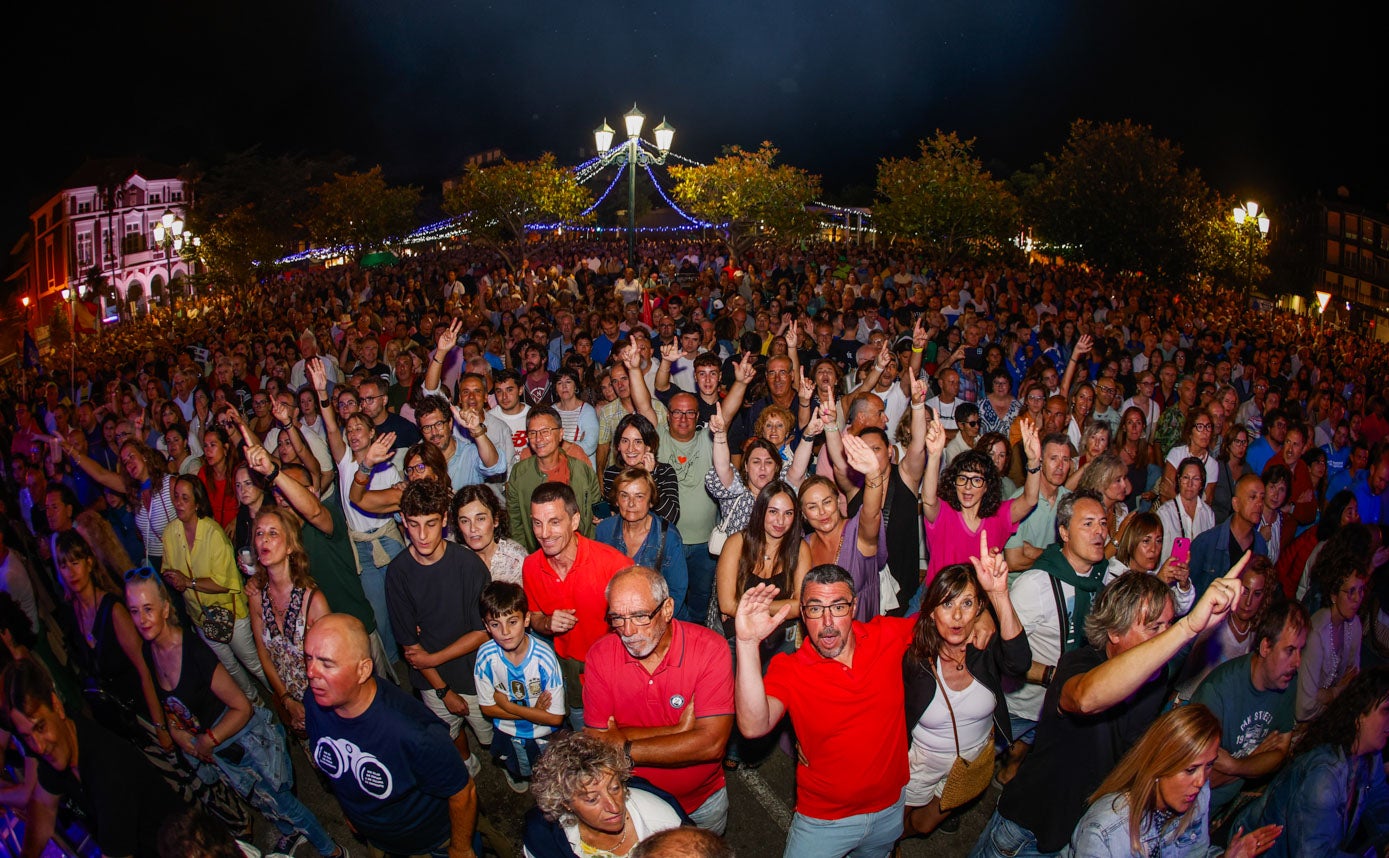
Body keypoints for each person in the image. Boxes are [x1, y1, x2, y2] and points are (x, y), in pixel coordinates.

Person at [973, 560, 1249, 858]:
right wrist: (1187, 628)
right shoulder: (1079, 663)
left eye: (1168, 624)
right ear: (1115, 632)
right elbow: (1085, 699)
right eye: (1154, 626)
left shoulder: (1156, 681)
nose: (1164, 636)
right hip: (1026, 832)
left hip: (1084, 835)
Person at [125, 569, 343, 857]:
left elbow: (242, 706)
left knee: (285, 803)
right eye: (134, 611)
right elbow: (173, 710)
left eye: (149, 609)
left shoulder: (193, 651)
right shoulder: (148, 652)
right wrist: (181, 737)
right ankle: (291, 835)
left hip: (243, 742)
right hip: (218, 753)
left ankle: (333, 850)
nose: (142, 619)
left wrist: (208, 740)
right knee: (262, 803)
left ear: (166, 608)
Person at [734, 564, 916, 858]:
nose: (828, 621)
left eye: (838, 607)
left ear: (854, 607)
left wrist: (987, 611)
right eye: (816, 609)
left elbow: (939, 620)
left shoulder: (886, 635)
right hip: (823, 822)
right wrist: (746, 643)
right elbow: (753, 725)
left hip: (889, 810)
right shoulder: (791, 669)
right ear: (804, 615)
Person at [303, 613, 480, 858]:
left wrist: (460, 848)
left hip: (430, 844)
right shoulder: (313, 701)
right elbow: (339, 771)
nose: (311, 672)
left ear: (363, 669)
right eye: (308, 658)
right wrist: (352, 813)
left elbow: (463, 792)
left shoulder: (414, 731)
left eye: (326, 663)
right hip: (379, 840)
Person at [583, 566, 736, 833]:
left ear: (667, 609)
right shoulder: (600, 656)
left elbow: (710, 744)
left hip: (702, 803)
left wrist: (625, 748)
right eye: (617, 618)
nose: (628, 630)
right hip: (636, 801)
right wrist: (678, 731)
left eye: (640, 616)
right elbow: (598, 742)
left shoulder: (711, 649)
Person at [901, 536, 1031, 839]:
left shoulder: (983, 649)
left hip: (969, 762)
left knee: (925, 825)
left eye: (967, 603)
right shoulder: (915, 659)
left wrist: (999, 596)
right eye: (947, 604)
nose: (957, 616)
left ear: (978, 609)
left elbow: (1020, 663)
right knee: (899, 826)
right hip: (920, 762)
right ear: (932, 612)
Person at [2, 657, 190, 858]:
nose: (38, 746)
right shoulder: (59, 746)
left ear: (56, 705)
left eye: (40, 727)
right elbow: (43, 807)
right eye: (27, 737)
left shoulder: (107, 769)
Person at [1067, 704, 1279, 858]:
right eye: (1190, 769)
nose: (1201, 781)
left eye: (1209, 765)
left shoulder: (1198, 795)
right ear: (1159, 766)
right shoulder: (1107, 830)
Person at [387, 479, 494, 775]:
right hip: (431, 680)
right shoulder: (397, 573)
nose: (422, 535)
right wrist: (443, 689)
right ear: (403, 522)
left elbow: (484, 631)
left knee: (487, 733)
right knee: (449, 731)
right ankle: (465, 764)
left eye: (431, 524)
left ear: (445, 520)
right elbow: (410, 646)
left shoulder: (469, 565)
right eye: (413, 524)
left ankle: (505, 764)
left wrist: (433, 658)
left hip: (472, 672)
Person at [1231, 667, 1389, 858]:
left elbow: (1381, 809)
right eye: (1386, 711)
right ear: (1360, 715)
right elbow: (1312, 855)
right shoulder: (1324, 776)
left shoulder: (1371, 758)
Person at [522, 481, 633, 732]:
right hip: (570, 671)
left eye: (554, 522)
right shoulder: (531, 566)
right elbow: (535, 616)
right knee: (583, 729)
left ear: (574, 521)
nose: (544, 533)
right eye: (537, 523)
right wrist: (548, 623)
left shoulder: (614, 565)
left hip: (613, 668)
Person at [1189, 599, 1308, 816]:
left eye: (1301, 650)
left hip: (1221, 808)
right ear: (1265, 647)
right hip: (1190, 812)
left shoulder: (1287, 682)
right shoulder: (1217, 693)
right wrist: (1257, 757)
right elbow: (1202, 781)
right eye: (1290, 650)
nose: (1298, 662)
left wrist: (1235, 766)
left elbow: (1280, 752)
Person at [160, 473, 268, 703]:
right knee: (229, 667)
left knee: (253, 664)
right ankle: (257, 705)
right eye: (176, 497)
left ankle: (283, 699)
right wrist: (174, 579)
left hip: (231, 614)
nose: (178, 503)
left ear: (197, 503)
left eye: (185, 498)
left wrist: (187, 582)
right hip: (201, 618)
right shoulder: (170, 534)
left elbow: (222, 582)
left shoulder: (213, 534)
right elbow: (168, 570)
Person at [923, 415, 1042, 587]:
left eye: (977, 480)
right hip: (942, 601)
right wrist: (934, 456)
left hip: (981, 605)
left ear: (987, 486)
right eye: (962, 478)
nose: (968, 487)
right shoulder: (944, 513)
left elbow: (1030, 500)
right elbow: (928, 500)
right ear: (953, 482)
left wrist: (1033, 461)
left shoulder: (999, 516)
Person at [523, 732, 686, 858]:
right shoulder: (542, 836)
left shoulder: (666, 824)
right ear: (565, 803)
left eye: (615, 788)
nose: (614, 807)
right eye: (592, 799)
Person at [245, 505, 330, 737]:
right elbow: (263, 653)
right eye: (259, 533)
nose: (264, 539)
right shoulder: (256, 598)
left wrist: (311, 706)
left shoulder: (312, 600)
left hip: (325, 703)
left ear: (290, 545)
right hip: (289, 705)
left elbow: (332, 664)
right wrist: (286, 699)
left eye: (273, 533)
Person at [474, 581, 565, 793]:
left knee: (550, 770)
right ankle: (519, 774)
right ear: (486, 627)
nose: (505, 632)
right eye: (495, 625)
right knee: (518, 765)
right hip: (508, 732)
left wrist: (509, 707)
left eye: (512, 622)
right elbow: (487, 708)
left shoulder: (544, 658)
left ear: (526, 619)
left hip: (544, 733)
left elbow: (555, 718)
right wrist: (535, 712)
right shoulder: (486, 657)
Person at [798, 433, 888, 621]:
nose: (822, 512)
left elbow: (871, 513)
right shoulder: (803, 546)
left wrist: (873, 474)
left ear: (838, 501)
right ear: (804, 515)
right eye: (812, 507)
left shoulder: (858, 532)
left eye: (827, 502)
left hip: (863, 636)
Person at [1173, 556, 1274, 701]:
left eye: (1257, 594)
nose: (1249, 601)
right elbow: (1188, 685)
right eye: (1245, 591)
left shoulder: (1258, 636)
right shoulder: (1214, 627)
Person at [596, 468, 689, 619]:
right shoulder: (604, 531)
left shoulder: (668, 537)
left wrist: (654, 622)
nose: (631, 504)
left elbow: (677, 591)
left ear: (651, 501)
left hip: (660, 618)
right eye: (624, 496)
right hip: (619, 617)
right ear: (616, 500)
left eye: (639, 496)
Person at [509, 406, 603, 553]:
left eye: (545, 432)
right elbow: (515, 522)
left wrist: (603, 518)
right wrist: (525, 555)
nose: (538, 439)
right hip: (539, 554)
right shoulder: (519, 473)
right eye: (532, 433)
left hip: (581, 551)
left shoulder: (580, 469)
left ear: (560, 434)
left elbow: (598, 505)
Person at [1297, 531, 1369, 721]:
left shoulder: (1354, 626)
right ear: (1333, 596)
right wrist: (1334, 693)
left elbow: (1352, 680)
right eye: (1350, 592)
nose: (1357, 599)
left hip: (1326, 718)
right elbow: (1303, 708)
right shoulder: (1316, 634)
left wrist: (1324, 695)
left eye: (1361, 591)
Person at [1189, 474, 1269, 594]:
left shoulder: (1260, 546)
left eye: (1262, 498)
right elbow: (1185, 592)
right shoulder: (1206, 543)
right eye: (1253, 497)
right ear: (1235, 504)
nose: (1259, 504)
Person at [1104, 510, 1195, 614]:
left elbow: (1177, 609)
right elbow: (1124, 614)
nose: (1153, 549)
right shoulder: (1111, 574)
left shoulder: (1152, 575)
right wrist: (1158, 583)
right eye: (1146, 541)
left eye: (1158, 541)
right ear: (1131, 542)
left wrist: (1183, 586)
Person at [603, 413, 681, 525]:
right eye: (625, 441)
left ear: (648, 446)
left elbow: (671, 517)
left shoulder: (664, 472)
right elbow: (614, 513)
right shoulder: (612, 473)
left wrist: (650, 477)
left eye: (638, 442)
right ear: (618, 445)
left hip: (655, 539)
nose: (630, 448)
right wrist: (607, 517)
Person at [453, 484, 528, 585]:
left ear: (495, 520)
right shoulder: (454, 559)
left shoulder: (516, 560)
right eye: (465, 521)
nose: (473, 528)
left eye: (480, 519)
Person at [1157, 456, 1218, 564]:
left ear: (1201, 483)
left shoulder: (1208, 514)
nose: (1190, 484)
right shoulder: (1164, 513)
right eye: (1186, 477)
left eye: (1195, 479)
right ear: (1179, 480)